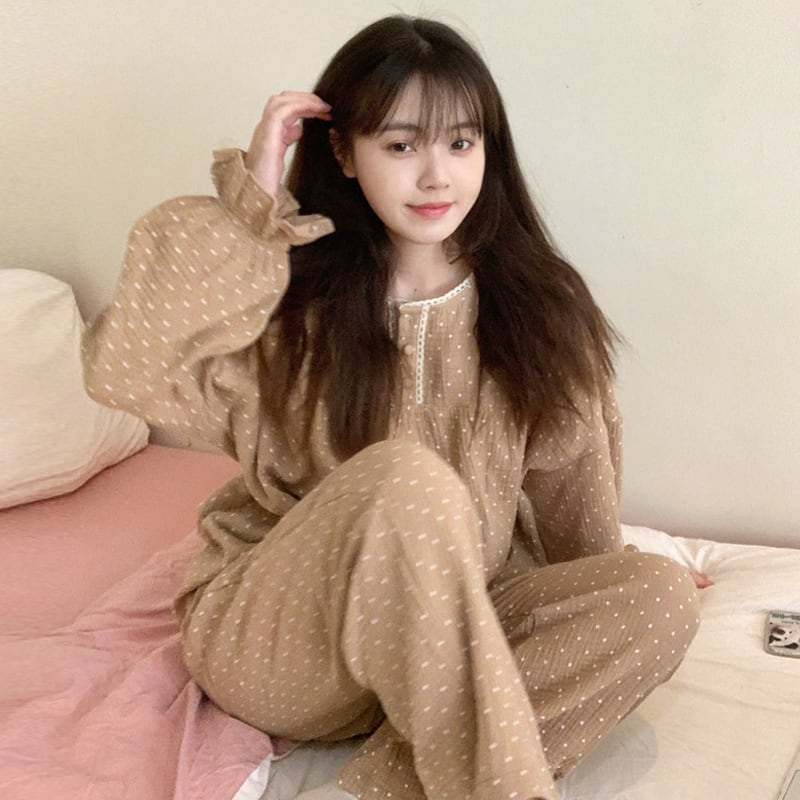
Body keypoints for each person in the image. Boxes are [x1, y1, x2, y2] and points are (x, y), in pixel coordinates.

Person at [82, 15, 702, 800]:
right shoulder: (283, 299)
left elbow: (572, 497)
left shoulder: (539, 307)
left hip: (451, 635)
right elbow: (126, 373)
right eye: (403, 146)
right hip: (289, 645)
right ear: (344, 154)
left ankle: (371, 792)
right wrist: (250, 211)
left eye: (462, 143)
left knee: (658, 595)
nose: (437, 176)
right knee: (406, 477)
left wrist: (594, 598)